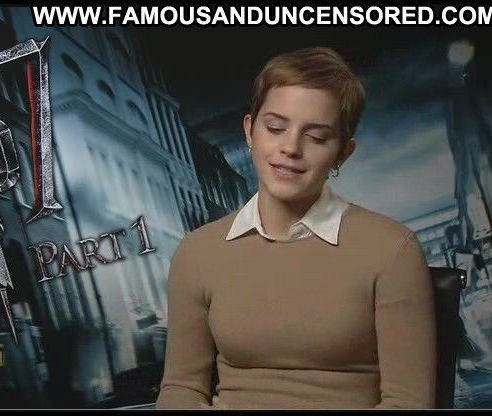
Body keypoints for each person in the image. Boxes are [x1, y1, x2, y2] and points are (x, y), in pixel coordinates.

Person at [155, 47, 436, 409]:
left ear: (343, 153)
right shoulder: (197, 253)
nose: (290, 147)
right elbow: (181, 388)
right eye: (275, 128)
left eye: (316, 137)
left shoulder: (392, 250)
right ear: (249, 131)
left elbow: (409, 403)